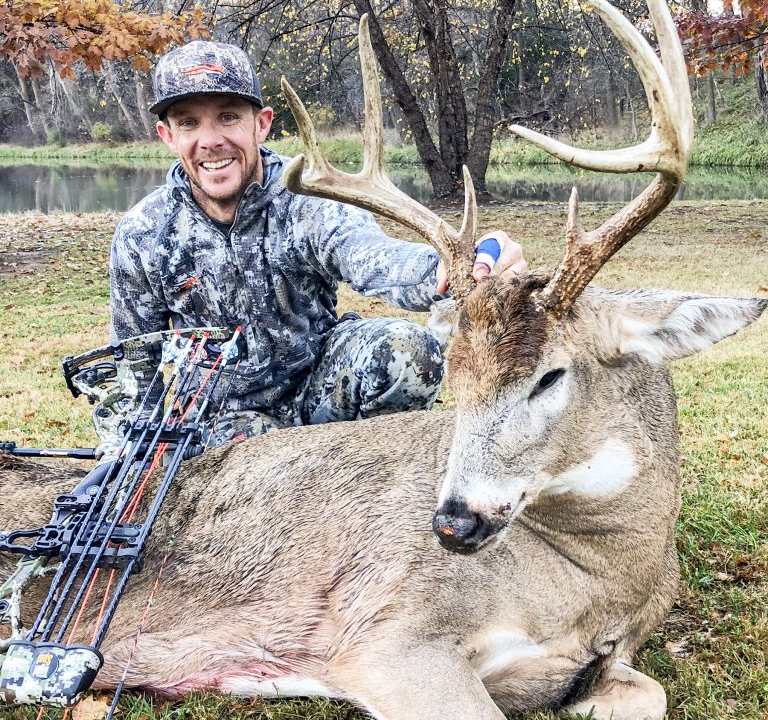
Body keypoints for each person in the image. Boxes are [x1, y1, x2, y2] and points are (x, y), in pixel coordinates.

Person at [109, 41, 527, 446]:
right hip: (222, 419)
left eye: (228, 117)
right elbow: (133, 361)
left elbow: (371, 256)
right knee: (248, 455)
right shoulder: (144, 233)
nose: (211, 140)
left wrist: (456, 268)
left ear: (261, 123)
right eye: (188, 123)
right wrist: (129, 451)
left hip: (319, 389)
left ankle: (366, 481)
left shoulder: (308, 201)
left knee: (406, 352)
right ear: (166, 135)